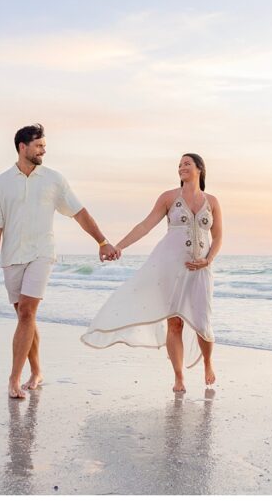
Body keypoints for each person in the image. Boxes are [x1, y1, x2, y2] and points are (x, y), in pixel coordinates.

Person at [0, 123, 120, 399]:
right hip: (12, 257)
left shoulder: (54, 180)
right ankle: (36, 370)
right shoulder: (0, 183)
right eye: (39, 146)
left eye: (44, 145)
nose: (44, 150)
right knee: (25, 317)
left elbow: (80, 213)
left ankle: (14, 379)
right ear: (23, 147)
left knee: (26, 313)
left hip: (42, 253)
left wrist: (102, 241)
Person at [81, 153, 223, 393]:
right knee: (174, 322)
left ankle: (208, 363)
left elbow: (218, 236)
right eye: (179, 165)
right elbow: (145, 226)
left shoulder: (212, 201)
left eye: (187, 164)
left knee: (203, 322)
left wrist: (208, 260)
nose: (181, 167)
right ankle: (179, 377)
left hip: (201, 270)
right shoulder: (168, 198)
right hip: (171, 266)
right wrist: (119, 246)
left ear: (200, 168)